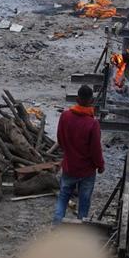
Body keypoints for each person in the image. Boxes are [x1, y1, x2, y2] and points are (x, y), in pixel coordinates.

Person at [53, 84, 104, 224]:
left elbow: (60, 140)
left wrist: (68, 153)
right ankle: (80, 230)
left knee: (63, 197)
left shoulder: (65, 116)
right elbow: (95, 149)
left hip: (69, 167)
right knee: (84, 201)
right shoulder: (92, 124)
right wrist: (100, 165)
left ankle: (56, 226)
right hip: (86, 171)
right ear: (91, 101)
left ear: (77, 99)